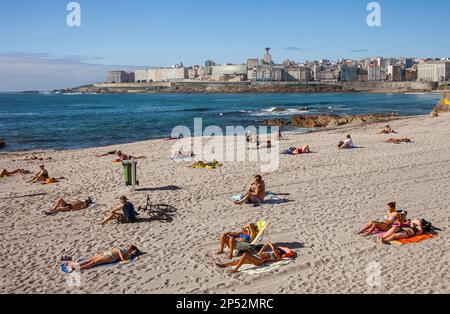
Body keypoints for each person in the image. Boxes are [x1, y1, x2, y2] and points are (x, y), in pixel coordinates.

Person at [216, 243, 297, 273]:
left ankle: (236, 269)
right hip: (256, 257)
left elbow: (276, 252)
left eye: (278, 250)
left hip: (259, 261)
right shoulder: (271, 252)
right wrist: (264, 247)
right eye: (277, 250)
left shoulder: (277, 257)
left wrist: (271, 245)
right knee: (239, 260)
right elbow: (260, 253)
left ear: (279, 252)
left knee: (245, 255)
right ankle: (224, 265)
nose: (277, 250)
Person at [64, 244, 140, 273]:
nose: (127, 245)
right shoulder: (124, 250)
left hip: (110, 257)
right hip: (106, 253)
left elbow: (123, 259)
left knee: (93, 263)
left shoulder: (127, 253)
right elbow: (117, 250)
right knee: (89, 260)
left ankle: (76, 267)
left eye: (129, 246)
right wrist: (118, 250)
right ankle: (71, 265)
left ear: (131, 249)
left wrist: (130, 254)